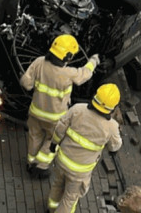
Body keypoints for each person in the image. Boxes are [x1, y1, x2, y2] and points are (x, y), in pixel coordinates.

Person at [20, 34, 100, 179]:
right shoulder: (68, 73)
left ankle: (30, 162)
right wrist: (93, 61)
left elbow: (26, 84)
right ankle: (41, 166)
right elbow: (85, 74)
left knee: (34, 136)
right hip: (55, 119)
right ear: (67, 57)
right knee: (52, 141)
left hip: (35, 113)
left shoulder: (39, 62)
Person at [47, 83, 122, 213]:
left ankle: (51, 208)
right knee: (69, 199)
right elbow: (114, 146)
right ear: (113, 107)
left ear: (95, 96)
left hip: (62, 160)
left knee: (57, 185)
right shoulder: (112, 127)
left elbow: (60, 128)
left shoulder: (78, 109)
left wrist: (54, 144)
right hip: (79, 171)